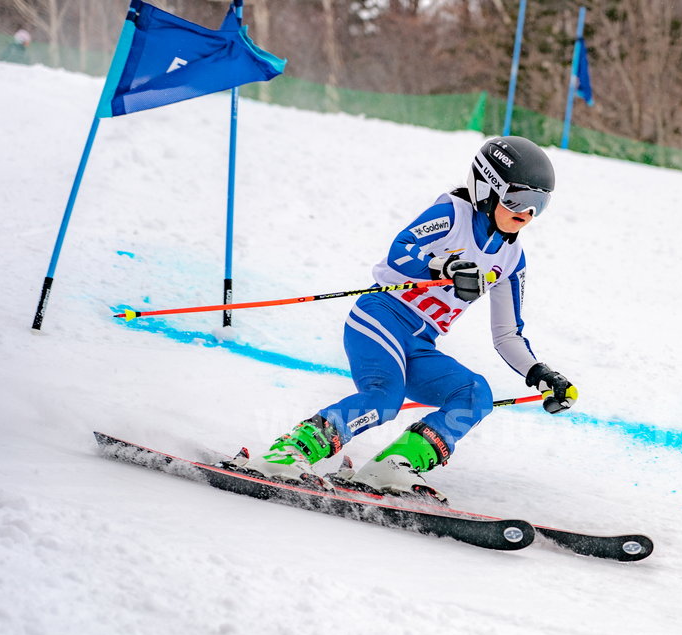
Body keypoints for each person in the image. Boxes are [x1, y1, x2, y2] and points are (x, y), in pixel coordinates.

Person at [240, 136, 577, 501]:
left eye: (538, 205)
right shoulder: (452, 213)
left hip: (420, 343)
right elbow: (400, 252)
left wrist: (539, 374)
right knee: (385, 398)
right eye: (518, 199)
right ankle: (288, 453)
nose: (526, 213)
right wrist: (443, 266)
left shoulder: (512, 259)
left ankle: (394, 464)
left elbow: (508, 334)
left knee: (475, 393)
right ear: (488, 189)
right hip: (380, 318)